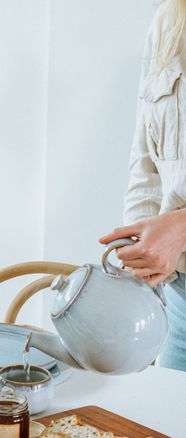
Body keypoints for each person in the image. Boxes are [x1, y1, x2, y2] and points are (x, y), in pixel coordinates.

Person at [100, 0, 186, 371]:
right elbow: (145, 162)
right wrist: (139, 262)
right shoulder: (170, 20)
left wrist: (181, 227)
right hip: (180, 300)